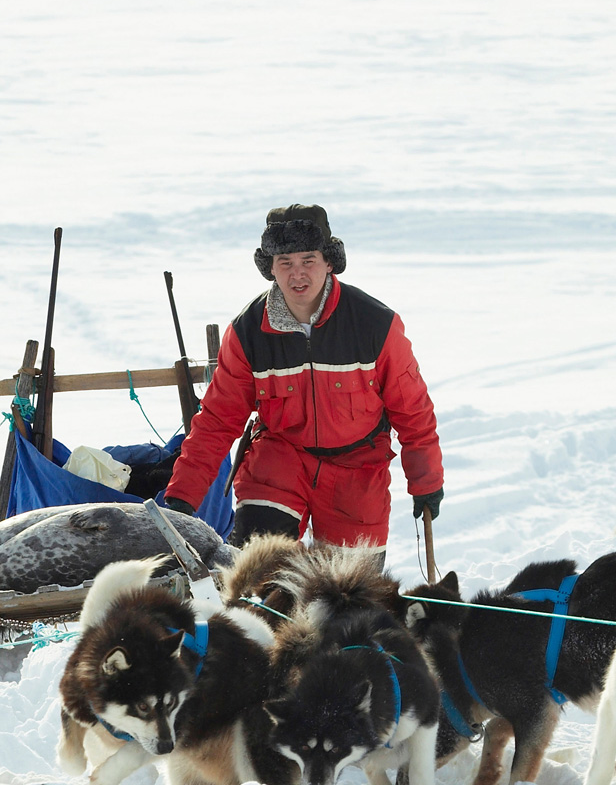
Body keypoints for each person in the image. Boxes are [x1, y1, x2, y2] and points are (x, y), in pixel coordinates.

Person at [163, 204, 444, 556]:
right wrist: (181, 496)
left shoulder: (375, 324)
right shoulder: (248, 332)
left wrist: (426, 481)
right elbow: (218, 419)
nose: (298, 275)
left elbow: (412, 410)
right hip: (280, 462)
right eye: (285, 263)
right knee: (258, 576)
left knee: (349, 597)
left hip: (356, 471)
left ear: (329, 261)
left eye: (308, 260)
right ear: (270, 270)